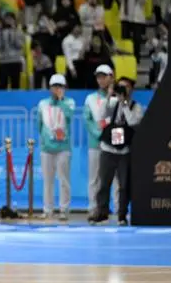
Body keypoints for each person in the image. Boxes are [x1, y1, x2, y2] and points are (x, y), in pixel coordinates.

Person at [90, 77, 144, 225]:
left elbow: (132, 121)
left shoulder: (136, 107)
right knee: (103, 183)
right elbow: (100, 116)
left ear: (131, 89)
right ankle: (102, 213)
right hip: (108, 149)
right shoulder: (112, 103)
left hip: (124, 152)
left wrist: (124, 103)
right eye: (120, 87)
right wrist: (109, 96)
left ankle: (122, 215)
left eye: (126, 87)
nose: (122, 90)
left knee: (124, 185)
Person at [36, 74, 75, 221]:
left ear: (65, 88)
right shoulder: (42, 104)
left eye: (60, 86)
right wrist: (45, 139)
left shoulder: (69, 102)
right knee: (48, 180)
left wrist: (61, 101)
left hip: (63, 147)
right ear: (50, 88)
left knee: (64, 180)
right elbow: (39, 124)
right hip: (47, 148)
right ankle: (48, 209)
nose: (57, 89)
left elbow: (69, 116)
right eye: (54, 86)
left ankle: (64, 209)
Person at [83, 65, 116, 218]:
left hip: (114, 145)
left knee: (116, 177)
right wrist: (99, 135)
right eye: (98, 77)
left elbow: (120, 119)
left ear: (111, 77)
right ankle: (93, 207)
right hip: (95, 144)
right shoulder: (90, 99)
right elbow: (87, 120)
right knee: (94, 178)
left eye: (104, 76)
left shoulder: (117, 97)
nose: (101, 80)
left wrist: (115, 141)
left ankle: (118, 208)